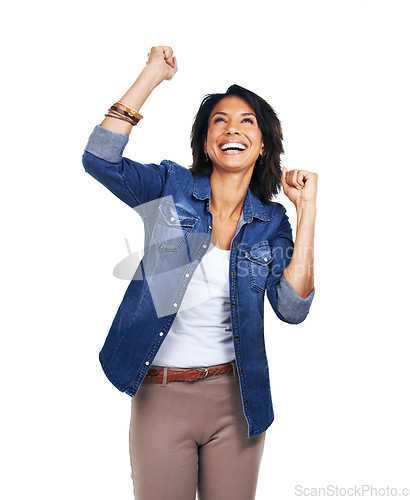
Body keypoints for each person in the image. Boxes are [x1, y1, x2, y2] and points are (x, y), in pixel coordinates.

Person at [82, 45, 317, 500]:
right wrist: (151, 76)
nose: (233, 128)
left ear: (263, 142)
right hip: (160, 394)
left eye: (247, 121)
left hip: (239, 399)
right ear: (206, 141)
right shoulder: (172, 188)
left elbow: (292, 308)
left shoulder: (270, 222)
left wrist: (306, 209)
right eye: (220, 121)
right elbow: (100, 159)